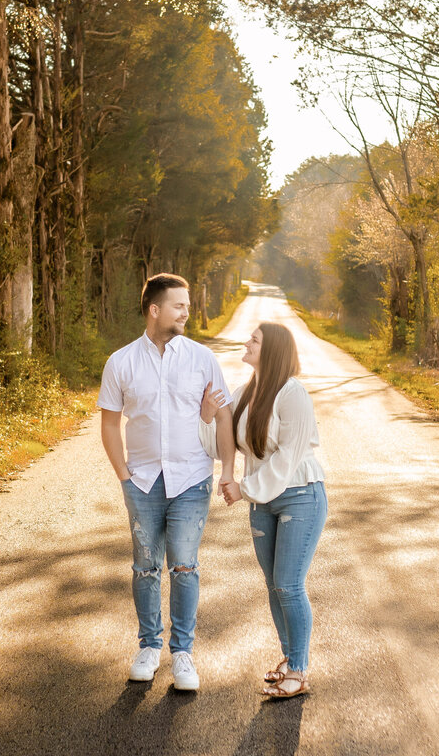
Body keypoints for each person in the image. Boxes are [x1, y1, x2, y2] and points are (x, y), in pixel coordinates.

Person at [98, 273, 236, 691]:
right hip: (141, 482)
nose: (186, 311)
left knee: (185, 566)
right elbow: (109, 424)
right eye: (179, 305)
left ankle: (182, 654)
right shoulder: (120, 362)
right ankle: (148, 646)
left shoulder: (201, 359)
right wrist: (124, 477)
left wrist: (228, 469)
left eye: (187, 305)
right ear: (155, 309)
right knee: (144, 568)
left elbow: (225, 415)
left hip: (191, 480)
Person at [199, 321, 326, 699]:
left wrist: (243, 488)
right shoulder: (245, 393)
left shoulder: (293, 394)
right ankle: (290, 659)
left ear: (272, 350)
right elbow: (218, 443)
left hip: (300, 495)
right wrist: (207, 415)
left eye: (254, 340)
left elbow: (287, 461)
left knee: (288, 584)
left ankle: (300, 671)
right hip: (262, 503)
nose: (247, 342)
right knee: (274, 586)